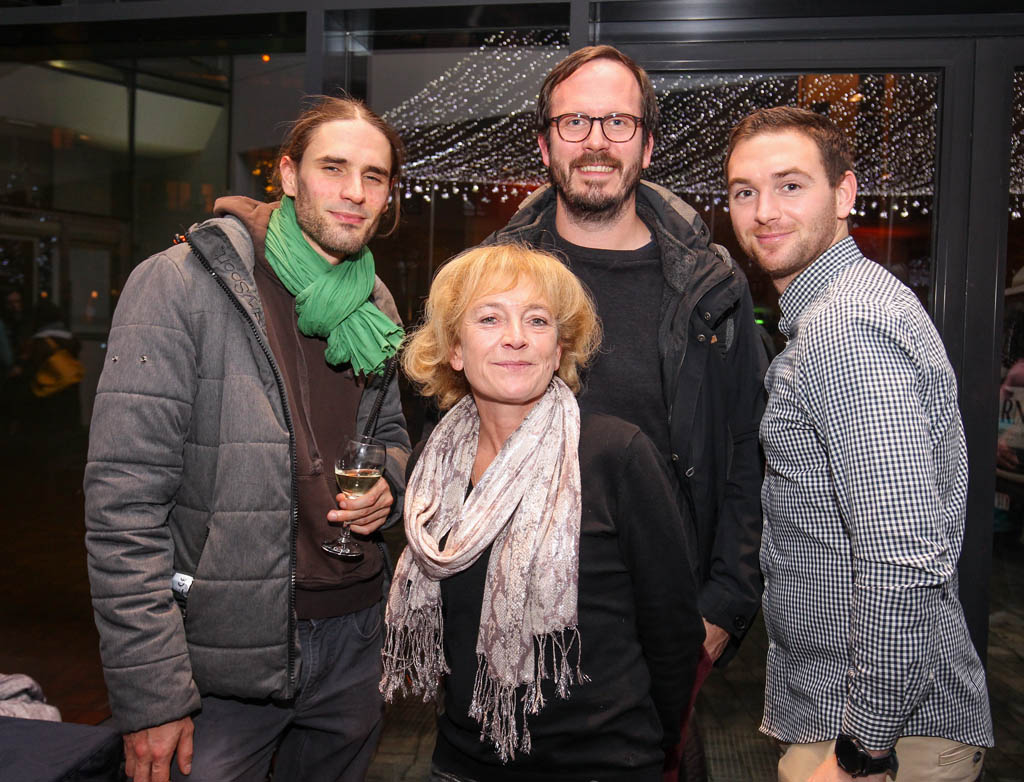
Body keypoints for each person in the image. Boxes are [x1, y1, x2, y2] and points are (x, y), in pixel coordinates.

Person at [84, 95, 411, 782]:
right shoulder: (180, 285)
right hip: (222, 658)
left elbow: (388, 438)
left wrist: (388, 484)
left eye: (374, 176)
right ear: (288, 175)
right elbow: (122, 507)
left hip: (354, 638)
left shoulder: (374, 302)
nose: (355, 192)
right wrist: (153, 695)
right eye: (333, 168)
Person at [724, 105, 993, 782]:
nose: (764, 212)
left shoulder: (846, 328)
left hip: (881, 742)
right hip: (865, 726)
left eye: (790, 185)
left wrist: (863, 751)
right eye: (744, 191)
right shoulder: (841, 309)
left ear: (844, 194)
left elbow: (903, 553)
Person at [484, 45, 767, 672]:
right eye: (574, 122)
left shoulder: (711, 290)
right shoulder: (491, 278)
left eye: (618, 122)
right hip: (511, 608)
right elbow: (450, 430)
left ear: (647, 146)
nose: (596, 142)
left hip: (662, 617)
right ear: (545, 145)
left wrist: (724, 605)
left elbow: (748, 450)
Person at [382, 244, 704, 781]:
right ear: (455, 350)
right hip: (462, 762)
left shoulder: (615, 455)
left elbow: (673, 633)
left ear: (557, 351)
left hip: (600, 764)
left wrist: (655, 749)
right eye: (490, 318)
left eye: (537, 320)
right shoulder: (431, 468)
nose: (516, 337)